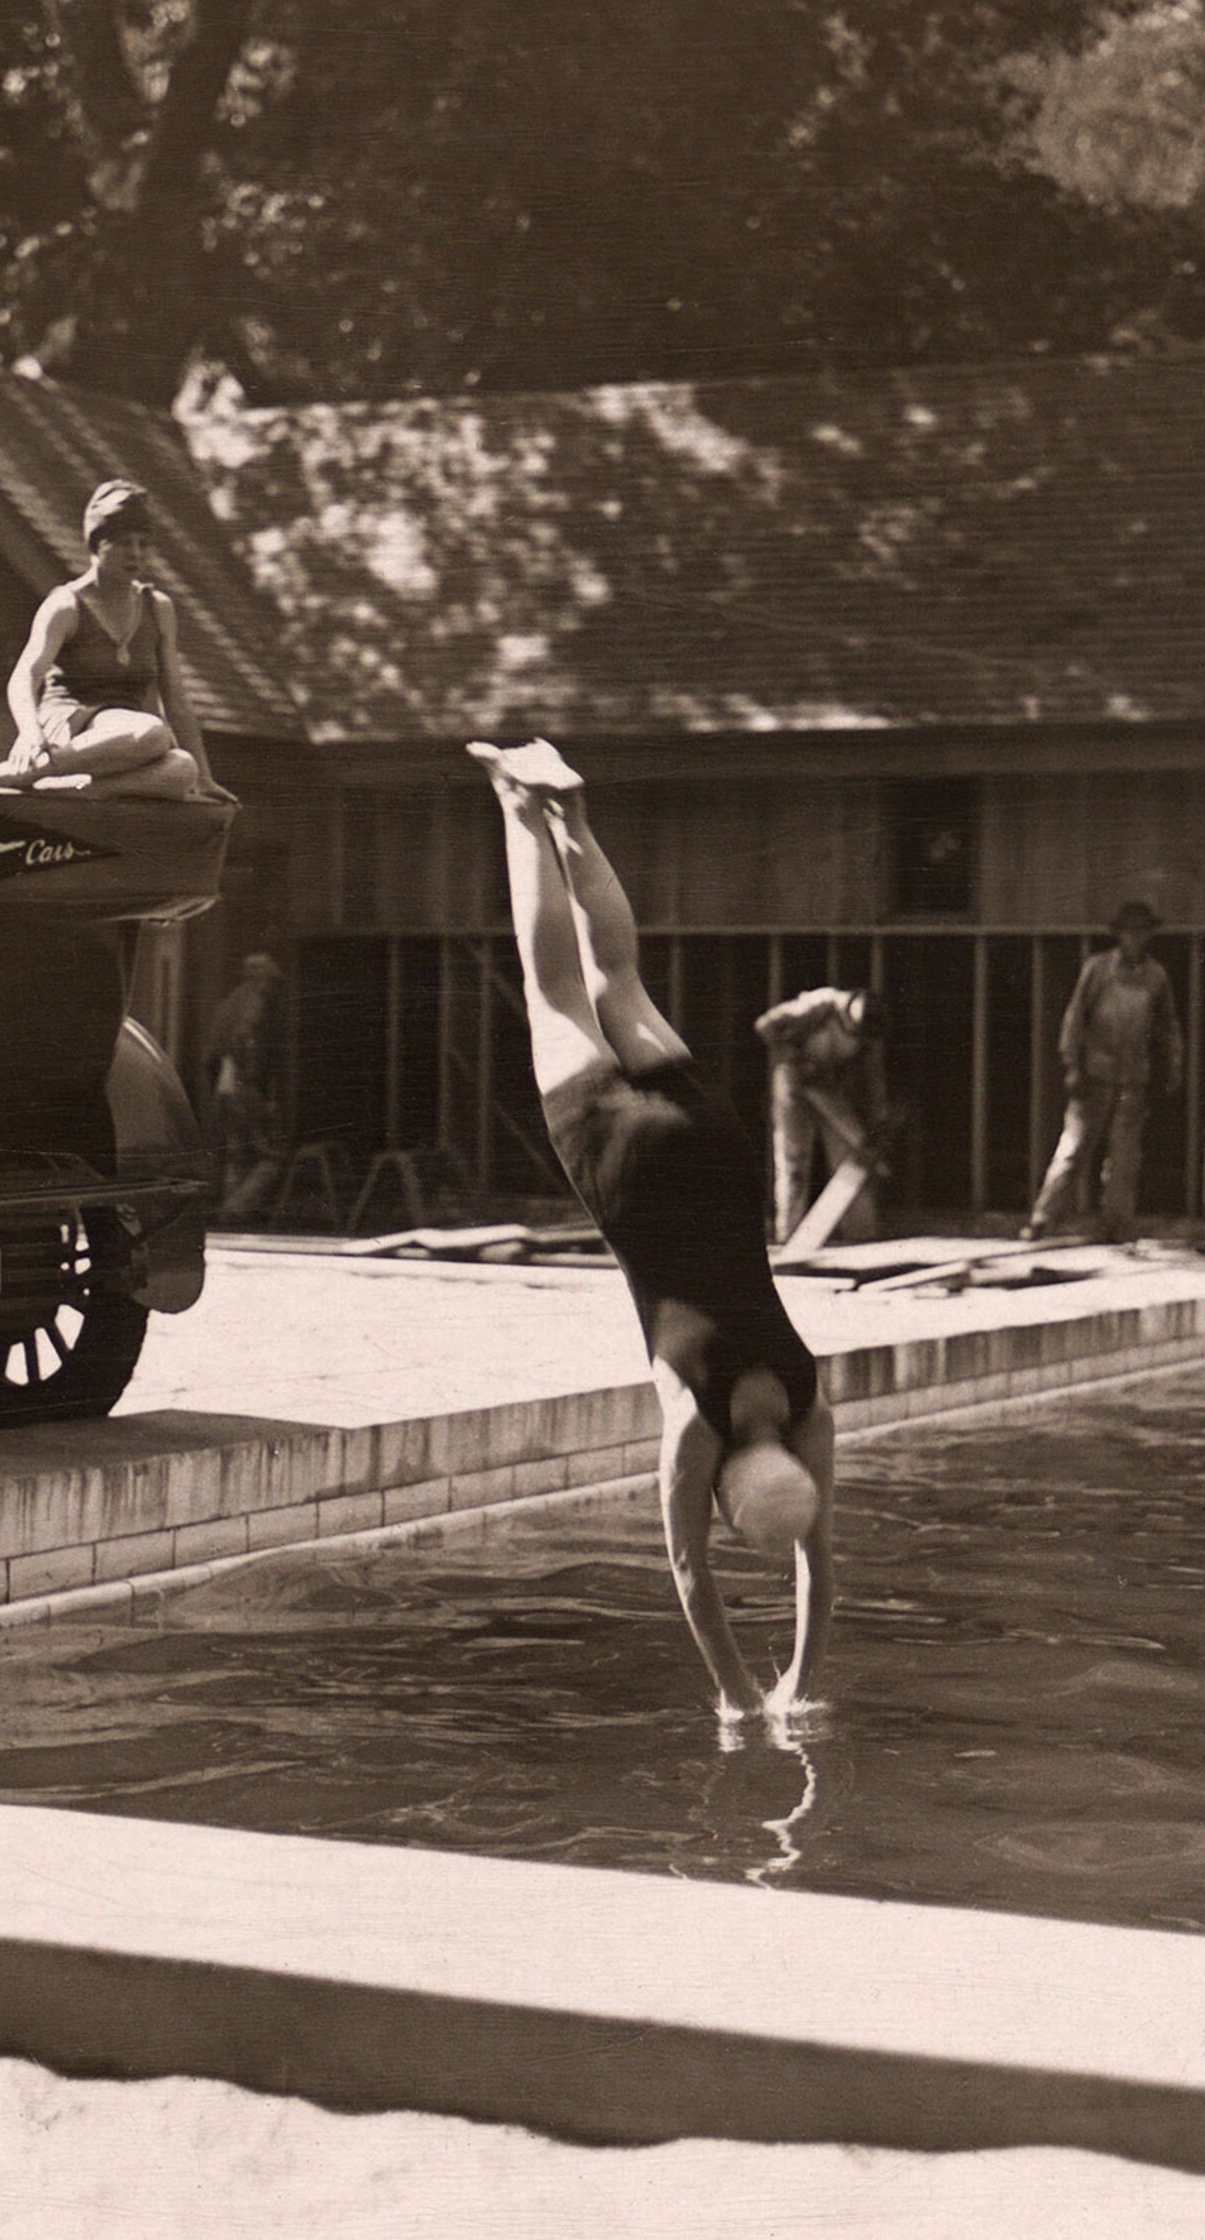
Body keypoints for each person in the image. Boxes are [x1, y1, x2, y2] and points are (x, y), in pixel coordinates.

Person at [474, 738, 831, 1726]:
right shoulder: (693, 1423)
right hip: (629, 1170)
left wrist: (807, 1678)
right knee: (553, 990)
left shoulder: (810, 1399)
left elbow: (821, 1563)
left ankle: (574, 815)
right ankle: (517, 805)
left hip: (713, 1154)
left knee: (618, 975)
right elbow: (688, 1569)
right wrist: (743, 1698)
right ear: (721, 1491)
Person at [0, 479, 214, 799]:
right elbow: (25, 676)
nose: (135, 553)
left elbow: (175, 700)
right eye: (123, 542)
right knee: (153, 732)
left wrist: (206, 780)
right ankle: (28, 771)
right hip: (69, 729)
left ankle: (78, 790)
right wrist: (29, 733)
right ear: (97, 543)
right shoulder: (66, 605)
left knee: (184, 768)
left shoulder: (158, 608)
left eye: (143, 544)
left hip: (123, 742)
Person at [1024, 899, 1183, 1243]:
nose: (1136, 938)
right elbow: (1075, 1018)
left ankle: (1117, 1225)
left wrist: (1173, 1065)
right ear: (1119, 934)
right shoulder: (1097, 969)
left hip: (1133, 1078)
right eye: (1130, 932)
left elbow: (1167, 1025)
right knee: (1073, 1148)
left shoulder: (1155, 976)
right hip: (1094, 1074)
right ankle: (1043, 1218)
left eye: (1142, 932)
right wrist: (1072, 1066)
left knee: (1124, 1157)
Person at [754, 986, 887, 1246]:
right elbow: (765, 1025)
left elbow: (874, 1081)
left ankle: (860, 1235)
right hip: (794, 1082)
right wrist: (795, 1056)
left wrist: (878, 1121)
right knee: (793, 1160)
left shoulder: (869, 1034)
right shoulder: (821, 1005)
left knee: (851, 1158)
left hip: (829, 1087)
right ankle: (789, 1236)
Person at [204, 951, 288, 1221]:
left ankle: (232, 1208)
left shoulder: (228, 1004)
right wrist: (261, 1089)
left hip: (223, 1087)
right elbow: (247, 1043)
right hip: (245, 1086)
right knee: (272, 1154)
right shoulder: (254, 1003)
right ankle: (237, 1207)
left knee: (236, 1152)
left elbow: (211, 1055)